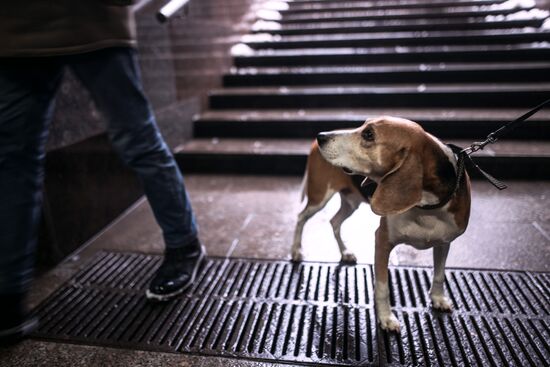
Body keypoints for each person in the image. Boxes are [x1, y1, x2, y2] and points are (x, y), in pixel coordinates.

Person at [0, 1, 205, 345]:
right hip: (15, 34)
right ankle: (8, 293)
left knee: (138, 141)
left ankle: (184, 245)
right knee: (12, 163)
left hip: (94, 23)